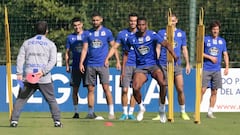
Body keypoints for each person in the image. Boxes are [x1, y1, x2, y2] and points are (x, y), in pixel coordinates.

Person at [123, 17, 177, 122]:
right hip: (141, 67)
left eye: (143, 25)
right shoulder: (131, 38)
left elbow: (166, 44)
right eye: (139, 25)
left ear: (146, 25)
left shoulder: (152, 35)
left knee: (163, 83)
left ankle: (162, 109)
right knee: (135, 88)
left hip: (154, 65)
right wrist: (123, 69)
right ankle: (141, 107)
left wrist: (174, 55)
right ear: (137, 26)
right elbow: (125, 53)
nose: (141, 27)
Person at [10, 21, 62, 127]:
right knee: (51, 99)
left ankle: (14, 121)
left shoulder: (27, 42)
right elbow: (52, 61)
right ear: (46, 31)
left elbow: (20, 58)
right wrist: (43, 72)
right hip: (44, 77)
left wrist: (19, 73)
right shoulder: (51, 44)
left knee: (21, 98)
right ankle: (57, 121)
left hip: (28, 76)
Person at [79, 11, 120, 119]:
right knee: (90, 89)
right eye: (93, 20)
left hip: (103, 65)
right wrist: (81, 63)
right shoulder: (87, 33)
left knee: (106, 88)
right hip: (90, 65)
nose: (95, 22)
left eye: (97, 20)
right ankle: (90, 112)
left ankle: (111, 112)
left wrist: (117, 61)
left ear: (101, 20)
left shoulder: (107, 32)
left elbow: (114, 47)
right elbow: (84, 49)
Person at [152, 14, 190, 121]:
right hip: (163, 64)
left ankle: (182, 111)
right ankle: (161, 112)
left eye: (173, 21)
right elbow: (158, 48)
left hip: (176, 64)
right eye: (170, 21)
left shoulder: (181, 33)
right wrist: (156, 61)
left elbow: (184, 49)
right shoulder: (161, 33)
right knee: (163, 89)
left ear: (176, 21)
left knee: (180, 88)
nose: (171, 23)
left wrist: (187, 63)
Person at [105, 13, 138, 120]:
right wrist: (107, 58)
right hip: (127, 65)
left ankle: (131, 113)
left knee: (136, 89)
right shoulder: (122, 34)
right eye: (131, 21)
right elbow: (114, 47)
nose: (133, 23)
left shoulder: (142, 34)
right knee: (124, 90)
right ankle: (124, 113)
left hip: (139, 65)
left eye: (134, 21)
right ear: (128, 21)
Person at [201, 20, 229, 118]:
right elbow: (200, 53)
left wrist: (227, 67)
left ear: (219, 30)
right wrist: (210, 57)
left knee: (214, 91)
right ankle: (197, 110)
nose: (215, 31)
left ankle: (210, 112)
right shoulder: (205, 39)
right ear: (211, 30)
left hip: (217, 70)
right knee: (202, 90)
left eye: (217, 29)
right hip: (206, 69)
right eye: (214, 29)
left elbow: (225, 54)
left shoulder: (222, 41)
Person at [65, 17, 89, 119]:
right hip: (75, 67)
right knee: (75, 90)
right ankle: (76, 112)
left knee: (90, 89)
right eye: (75, 25)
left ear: (82, 24)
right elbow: (67, 52)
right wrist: (66, 64)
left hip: (87, 66)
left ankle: (91, 112)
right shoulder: (70, 38)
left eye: (78, 25)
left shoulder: (87, 35)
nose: (77, 27)